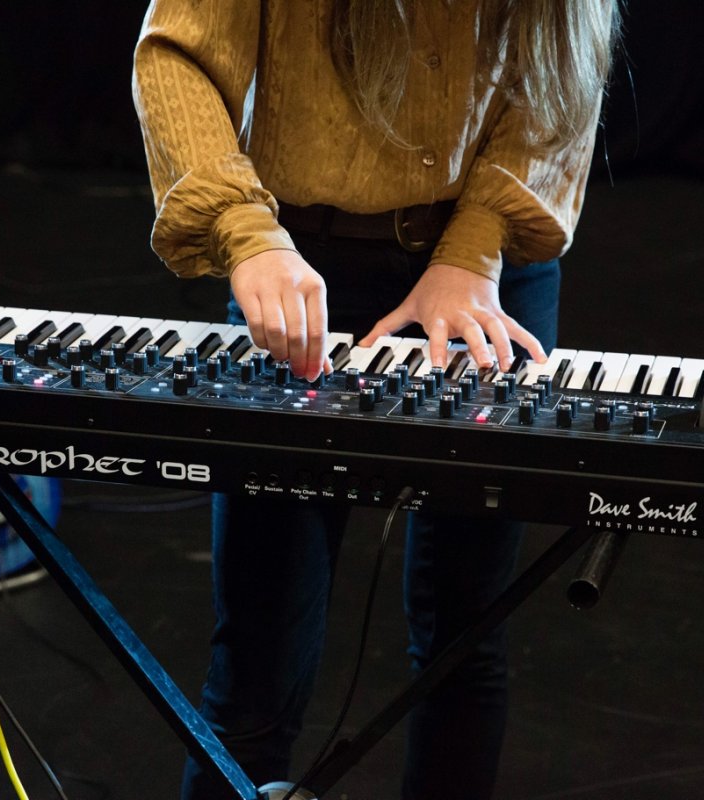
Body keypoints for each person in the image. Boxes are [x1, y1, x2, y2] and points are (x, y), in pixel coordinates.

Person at [132, 2, 620, 798]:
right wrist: (244, 230)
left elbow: (564, 63)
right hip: (300, 260)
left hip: (488, 267)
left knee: (466, 645)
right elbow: (174, 57)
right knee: (257, 661)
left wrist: (473, 250)